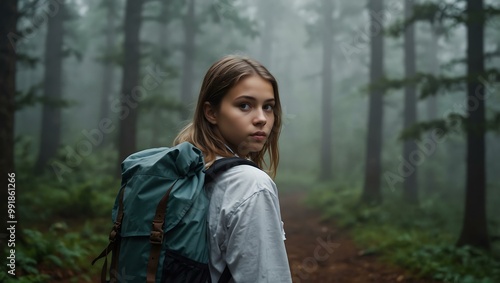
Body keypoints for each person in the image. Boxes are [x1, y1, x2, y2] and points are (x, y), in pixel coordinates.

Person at [173, 55, 292, 283]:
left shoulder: (185, 169)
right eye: (244, 105)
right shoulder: (251, 184)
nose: (261, 119)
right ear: (211, 112)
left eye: (268, 107)